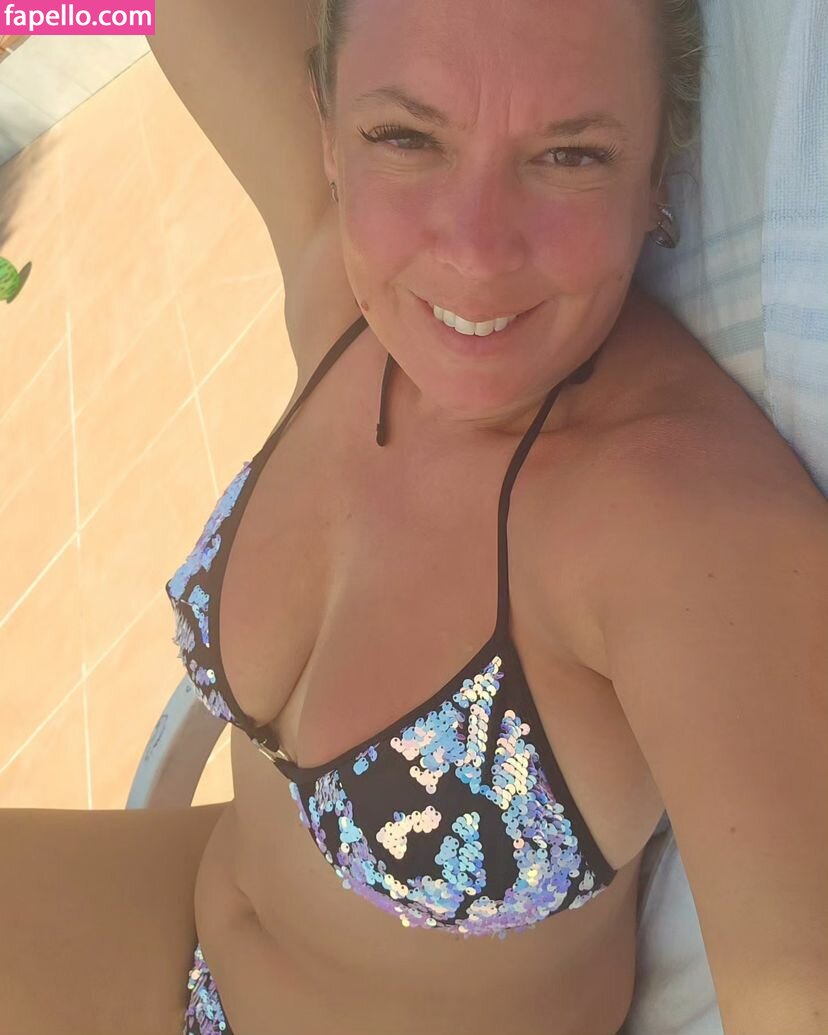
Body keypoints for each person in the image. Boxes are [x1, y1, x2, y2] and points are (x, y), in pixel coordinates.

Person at [3, 3, 825, 1034]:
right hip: (179, 930)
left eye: (571, 155)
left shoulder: (687, 521)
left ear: (658, 174)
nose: (475, 251)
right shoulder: (344, 306)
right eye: (405, 136)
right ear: (326, 128)